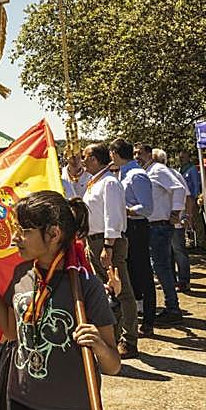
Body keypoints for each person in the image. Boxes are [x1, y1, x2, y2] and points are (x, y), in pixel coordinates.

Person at [0, 191, 120, 410]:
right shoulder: (22, 274)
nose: (16, 238)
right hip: (20, 400)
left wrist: (98, 344)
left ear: (54, 234)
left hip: (71, 409)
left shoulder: (86, 286)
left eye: (25, 232)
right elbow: (10, 332)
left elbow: (113, 366)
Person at [81, 142, 137, 358]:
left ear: (95, 159)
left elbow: (111, 216)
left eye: (86, 157)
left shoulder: (109, 183)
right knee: (107, 290)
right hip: (94, 241)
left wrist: (108, 246)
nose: (83, 161)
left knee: (121, 289)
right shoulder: (94, 182)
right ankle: (111, 335)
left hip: (108, 243)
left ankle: (129, 339)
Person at [136, 143, 185, 325]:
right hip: (152, 226)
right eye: (135, 154)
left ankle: (173, 307)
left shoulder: (158, 169)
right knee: (159, 267)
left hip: (160, 226)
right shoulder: (147, 171)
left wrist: (176, 212)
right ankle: (170, 306)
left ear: (150, 153)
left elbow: (178, 188)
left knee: (162, 267)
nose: (137, 156)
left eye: (140, 153)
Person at [111, 141, 155, 335]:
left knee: (143, 272)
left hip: (137, 227)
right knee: (130, 272)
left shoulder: (136, 175)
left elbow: (147, 208)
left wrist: (125, 210)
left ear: (115, 153)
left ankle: (149, 319)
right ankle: (138, 311)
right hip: (127, 227)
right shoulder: (122, 173)